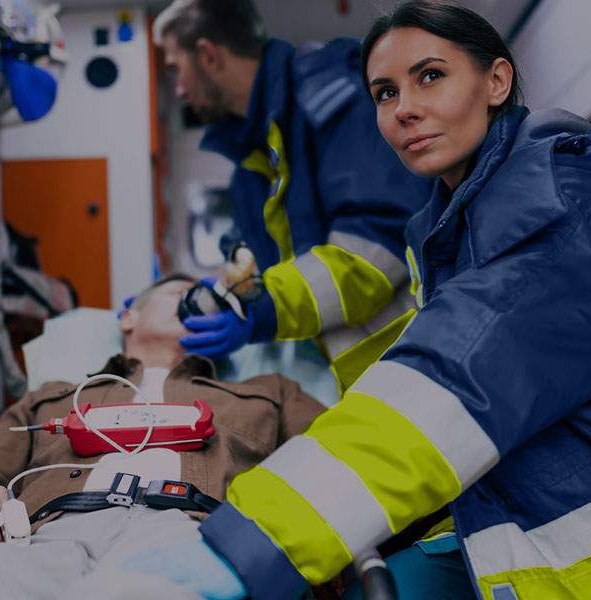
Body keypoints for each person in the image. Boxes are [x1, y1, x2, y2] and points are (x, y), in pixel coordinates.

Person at [129, 2, 591, 599]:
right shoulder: (449, 225)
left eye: (430, 76)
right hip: (507, 490)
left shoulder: (560, 208)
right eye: (384, 93)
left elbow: (454, 376)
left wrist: (252, 545)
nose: (403, 108)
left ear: (497, 81)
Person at [0, 275, 325, 599]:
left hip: (191, 536)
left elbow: (333, 460)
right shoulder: (54, 399)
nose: (197, 304)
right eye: (182, 293)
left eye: (208, 301)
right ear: (128, 317)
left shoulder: (268, 393)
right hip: (41, 537)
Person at [154, 0, 432, 391]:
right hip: (345, 379)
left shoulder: (330, 94)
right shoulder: (251, 164)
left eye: (175, 68)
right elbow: (251, 260)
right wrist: (209, 294)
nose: (179, 90)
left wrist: (261, 313)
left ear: (208, 55)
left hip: (409, 365)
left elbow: (372, 251)